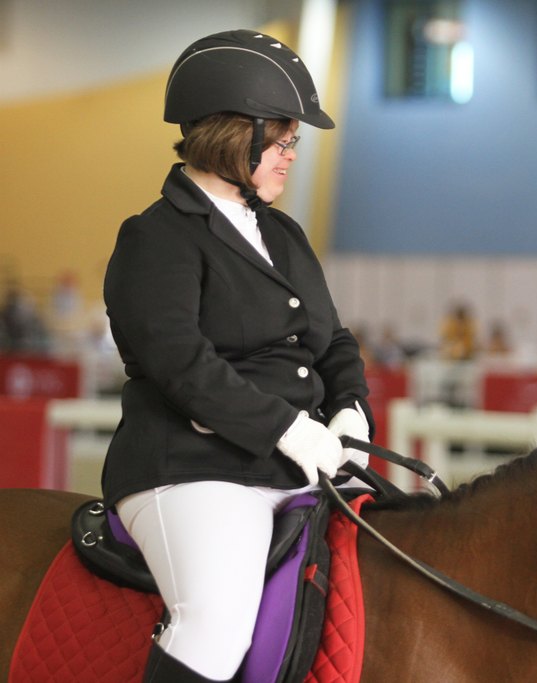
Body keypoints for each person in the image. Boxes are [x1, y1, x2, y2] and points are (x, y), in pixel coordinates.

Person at [101, 30, 374, 682]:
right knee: (217, 622)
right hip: (192, 466)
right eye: (281, 141)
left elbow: (331, 339)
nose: (290, 157)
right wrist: (284, 426)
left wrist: (352, 412)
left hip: (295, 464)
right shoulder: (157, 237)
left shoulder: (281, 232)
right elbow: (182, 365)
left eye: (292, 143)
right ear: (232, 135)